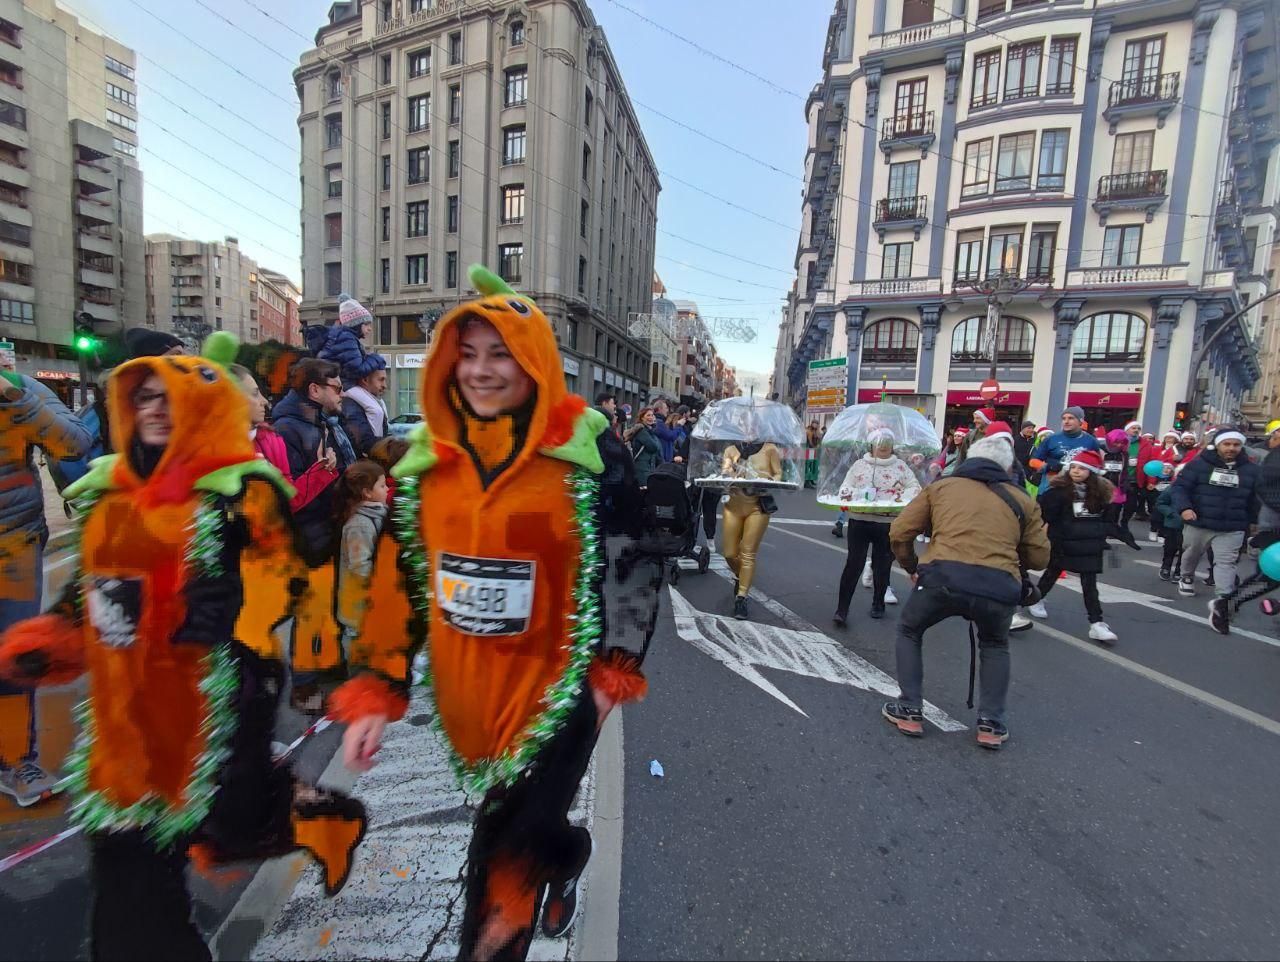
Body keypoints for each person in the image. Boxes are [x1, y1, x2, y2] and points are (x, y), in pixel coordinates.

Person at [0, 335, 366, 958]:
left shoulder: (240, 492)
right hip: (124, 732)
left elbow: (285, 581)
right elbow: (92, 593)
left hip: (217, 711)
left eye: (168, 397)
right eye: (141, 397)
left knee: (230, 826)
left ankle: (315, 818)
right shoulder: (112, 495)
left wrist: (229, 598)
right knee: (131, 906)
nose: (154, 409)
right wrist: (51, 643)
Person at [332, 266, 655, 961]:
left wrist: (613, 670)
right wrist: (376, 689)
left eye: (499, 353)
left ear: (534, 359)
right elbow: (396, 583)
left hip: (560, 694)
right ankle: (566, 855)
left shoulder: (587, 448)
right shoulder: (426, 463)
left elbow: (633, 558)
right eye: (468, 354)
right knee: (526, 830)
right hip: (471, 697)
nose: (480, 372)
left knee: (500, 869)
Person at [884, 429, 1050, 750]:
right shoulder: (1023, 500)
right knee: (995, 643)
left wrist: (912, 568)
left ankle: (909, 709)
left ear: (969, 459)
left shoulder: (942, 487)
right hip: (998, 586)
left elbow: (900, 530)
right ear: (1007, 468)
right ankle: (991, 724)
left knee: (910, 629)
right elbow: (1040, 556)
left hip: (943, 577)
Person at [0, 366, 91, 805]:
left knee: (13, 654)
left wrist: (13, 397)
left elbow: (72, 444)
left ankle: (17, 760)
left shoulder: (19, 389)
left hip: (11, 545)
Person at [270, 358, 354, 710]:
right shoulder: (287, 429)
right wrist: (325, 473)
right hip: (307, 534)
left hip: (325, 527)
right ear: (314, 390)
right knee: (309, 608)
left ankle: (330, 664)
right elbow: (287, 495)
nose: (343, 393)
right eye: (336, 387)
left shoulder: (319, 422)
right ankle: (303, 685)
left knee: (328, 603)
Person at [1026, 450, 1138, 645]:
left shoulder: (1102, 494)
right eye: (1074, 467)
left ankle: (1097, 623)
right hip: (1063, 541)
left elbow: (1108, 520)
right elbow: (1042, 514)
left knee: (1090, 585)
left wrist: (1121, 535)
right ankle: (1036, 599)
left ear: (1092, 472)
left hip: (1089, 545)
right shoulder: (1058, 492)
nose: (1076, 471)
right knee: (1052, 573)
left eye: (1082, 468)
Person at [832, 429, 921, 624]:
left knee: (882, 565)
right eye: (879, 442)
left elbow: (915, 489)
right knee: (853, 564)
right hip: (860, 521)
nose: (883, 445)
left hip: (887, 523)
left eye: (887, 441)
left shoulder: (900, 467)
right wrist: (861, 493)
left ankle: (878, 603)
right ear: (871, 444)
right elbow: (845, 488)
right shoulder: (859, 465)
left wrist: (895, 496)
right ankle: (842, 609)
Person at [232, 363, 340, 515]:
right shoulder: (286, 429)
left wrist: (322, 468)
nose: (264, 401)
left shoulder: (272, 439)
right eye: (255, 393)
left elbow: (289, 499)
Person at [1170, 429, 1259, 601]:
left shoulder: (1251, 470)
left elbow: (1256, 498)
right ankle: (1186, 575)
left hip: (1233, 526)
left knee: (1227, 562)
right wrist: (1185, 508)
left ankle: (1223, 597)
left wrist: (1254, 521)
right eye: (1227, 444)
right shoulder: (1198, 464)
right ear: (1218, 445)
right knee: (1192, 553)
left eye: (1236, 445)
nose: (1231, 448)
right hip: (1199, 521)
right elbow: (1180, 488)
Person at [719, 437, 783, 621]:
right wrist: (730, 475)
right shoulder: (731, 449)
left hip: (757, 506)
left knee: (748, 552)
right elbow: (725, 471)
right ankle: (741, 576)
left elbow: (778, 474)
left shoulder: (770, 448)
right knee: (730, 554)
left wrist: (769, 481)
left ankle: (742, 597)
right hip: (733, 505)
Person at [334, 460, 388, 665]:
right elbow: (359, 566)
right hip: (357, 606)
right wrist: (382, 583)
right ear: (367, 493)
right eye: (382, 486)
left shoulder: (377, 515)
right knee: (357, 653)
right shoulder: (359, 525)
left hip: (369, 604)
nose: (387, 489)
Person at [317, 293, 388, 389]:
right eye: (366, 324)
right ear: (356, 324)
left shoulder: (344, 336)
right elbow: (357, 370)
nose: (370, 328)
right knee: (369, 403)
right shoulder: (346, 338)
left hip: (337, 383)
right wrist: (376, 359)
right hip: (341, 385)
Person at [1029, 405, 1102, 492]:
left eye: (1071, 418)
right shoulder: (1051, 439)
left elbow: (1098, 465)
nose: (1066, 421)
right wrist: (1048, 467)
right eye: (1064, 419)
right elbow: (1033, 461)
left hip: (1080, 489)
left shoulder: (1091, 441)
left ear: (1080, 421)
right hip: (1051, 487)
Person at [341, 367, 390, 457]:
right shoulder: (351, 407)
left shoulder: (376, 402)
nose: (385, 385)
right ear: (365, 380)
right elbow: (364, 444)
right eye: (381, 380)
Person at [1155, 462, 1186, 581]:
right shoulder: (1172, 488)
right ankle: (1166, 567)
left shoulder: (1197, 491)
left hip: (1189, 525)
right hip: (1172, 524)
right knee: (1170, 548)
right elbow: (1161, 503)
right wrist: (1171, 513)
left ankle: (1180, 570)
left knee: (1185, 550)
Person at [626, 407, 663, 487]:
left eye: (652, 415)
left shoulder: (648, 430)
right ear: (642, 418)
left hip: (647, 468)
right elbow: (654, 447)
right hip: (642, 470)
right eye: (648, 415)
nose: (651, 417)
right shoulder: (642, 431)